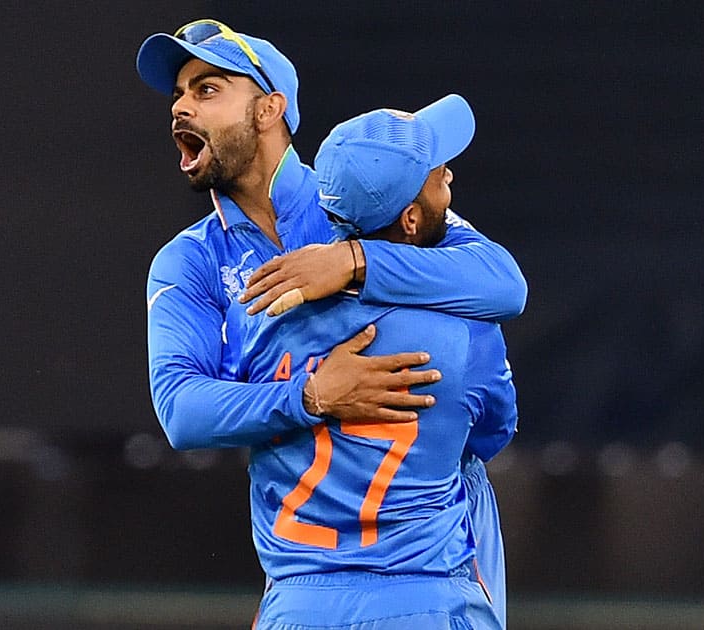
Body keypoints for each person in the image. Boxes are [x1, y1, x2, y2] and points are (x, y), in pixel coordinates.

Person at [136, 19, 525, 626]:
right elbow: (182, 413)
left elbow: (505, 283)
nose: (181, 107)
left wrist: (353, 259)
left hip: (343, 582)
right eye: (178, 95)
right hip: (339, 583)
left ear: (271, 108)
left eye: (207, 88)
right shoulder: (190, 260)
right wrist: (312, 395)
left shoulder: (360, 197)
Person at [237, 94, 518, 629]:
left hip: (297, 607)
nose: (450, 176)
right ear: (411, 218)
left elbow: (244, 420)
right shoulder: (467, 329)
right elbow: (491, 434)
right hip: (423, 601)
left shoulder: (262, 319)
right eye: (438, 176)